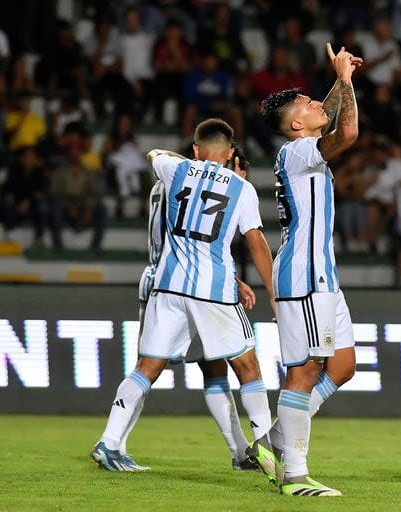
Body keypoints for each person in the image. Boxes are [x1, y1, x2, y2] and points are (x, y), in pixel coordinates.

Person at [90, 118, 277, 472]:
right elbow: (255, 242)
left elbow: (154, 153)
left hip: (166, 282)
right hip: (212, 289)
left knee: (149, 368)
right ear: (231, 153)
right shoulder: (241, 188)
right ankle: (267, 447)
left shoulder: (172, 171)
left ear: (194, 150)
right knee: (247, 367)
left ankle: (109, 441)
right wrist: (275, 296)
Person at [258, 43, 361, 497]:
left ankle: (277, 439)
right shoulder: (298, 152)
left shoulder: (301, 147)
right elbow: (347, 134)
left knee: (342, 365)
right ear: (297, 125)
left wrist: (338, 81)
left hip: (323, 275)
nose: (319, 105)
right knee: (304, 371)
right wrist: (348, 82)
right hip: (304, 273)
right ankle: (295, 475)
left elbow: (329, 113)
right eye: (308, 105)